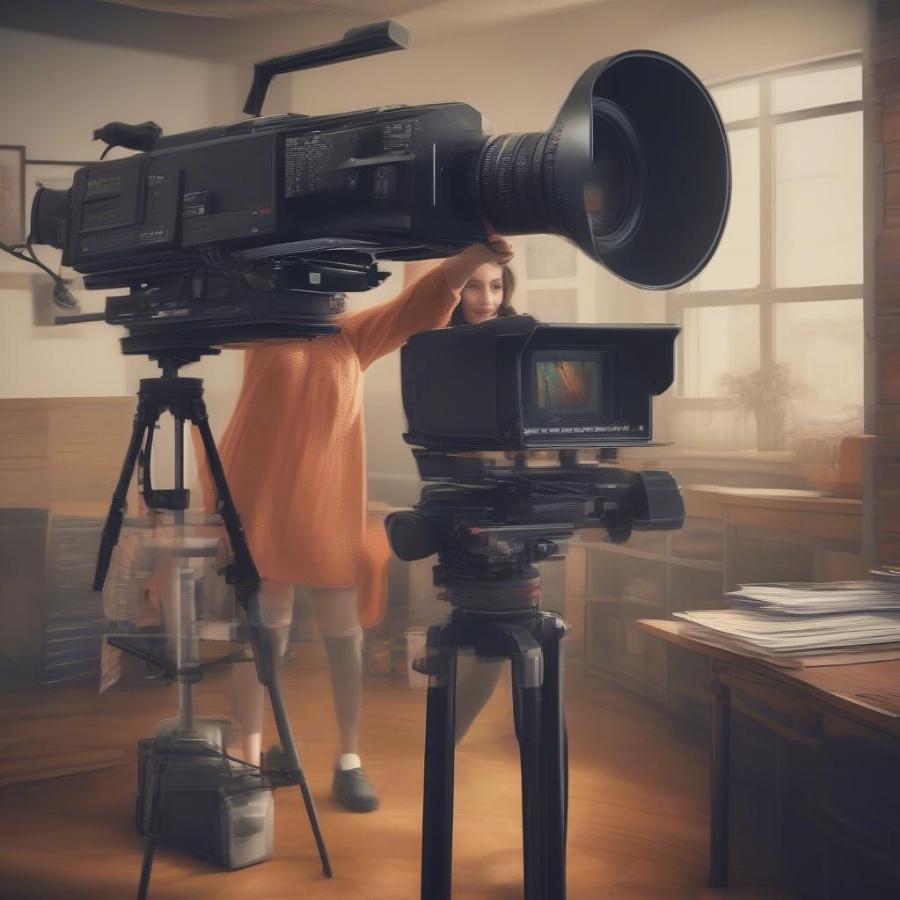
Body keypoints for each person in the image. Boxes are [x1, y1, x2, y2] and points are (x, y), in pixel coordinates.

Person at [194, 237, 514, 813]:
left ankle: (349, 759)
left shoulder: (353, 336)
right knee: (261, 637)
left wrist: (467, 259)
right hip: (261, 507)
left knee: (343, 641)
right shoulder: (263, 331)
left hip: (324, 513)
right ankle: (248, 754)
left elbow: (417, 306)